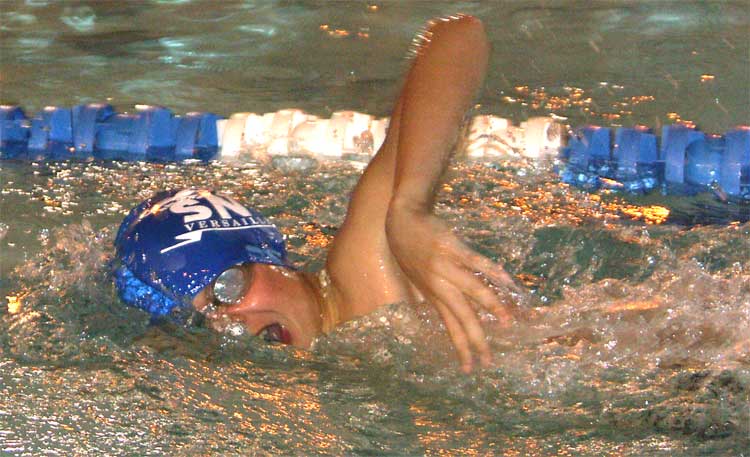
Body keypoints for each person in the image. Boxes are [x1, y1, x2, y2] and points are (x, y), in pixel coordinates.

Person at [115, 14, 518, 373]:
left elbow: (458, 36)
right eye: (203, 324)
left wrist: (407, 209)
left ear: (264, 257)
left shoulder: (366, 270)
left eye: (225, 291)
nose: (230, 325)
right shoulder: (317, 371)